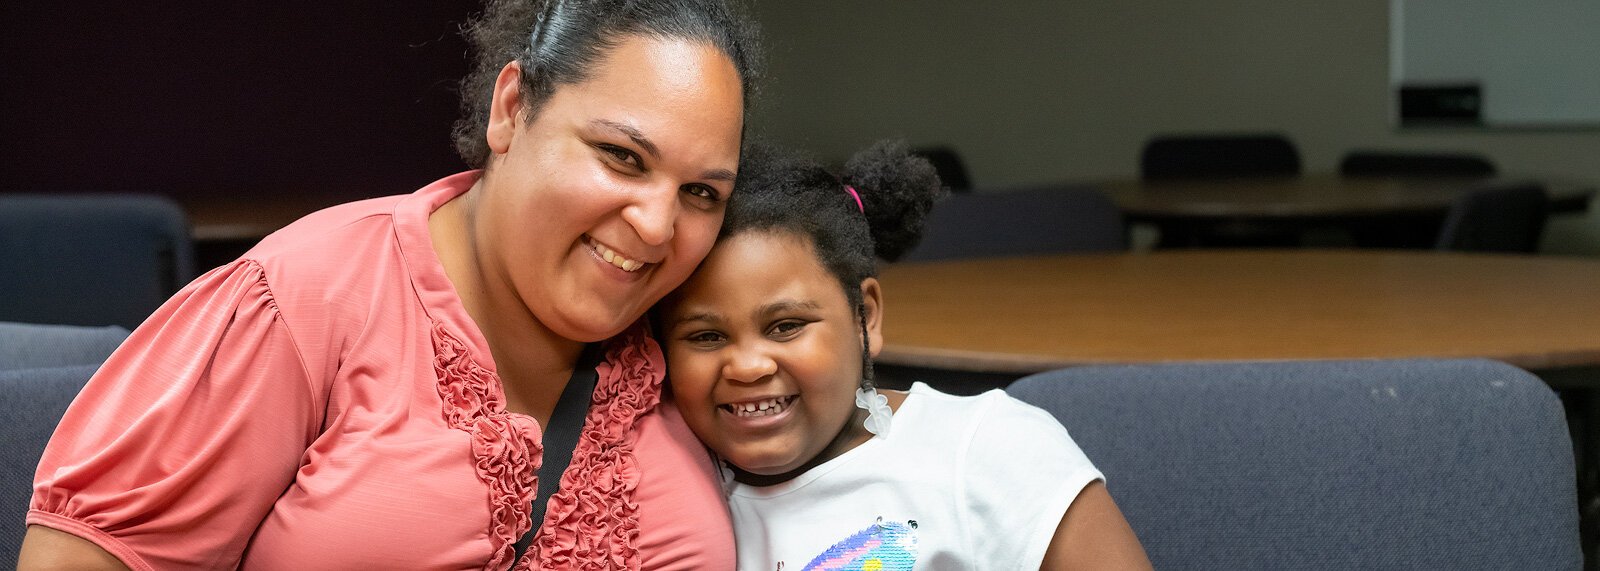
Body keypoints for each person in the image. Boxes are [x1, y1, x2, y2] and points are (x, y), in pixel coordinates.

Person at [19, 1, 760, 569]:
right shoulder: (309, 296)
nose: (660, 225)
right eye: (622, 156)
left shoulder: (695, 338)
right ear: (512, 110)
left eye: (701, 193)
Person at [655, 140, 1152, 570]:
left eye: (786, 327)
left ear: (865, 317)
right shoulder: (657, 485)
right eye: (705, 337)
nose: (748, 366)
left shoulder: (986, 450)